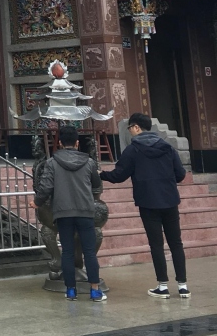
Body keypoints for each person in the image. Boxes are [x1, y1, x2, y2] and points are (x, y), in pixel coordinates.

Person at [101, 112, 190, 300]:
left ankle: (163, 287)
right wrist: (165, 181)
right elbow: (181, 175)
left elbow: (118, 176)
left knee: (156, 244)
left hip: (148, 203)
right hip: (170, 200)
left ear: (136, 127)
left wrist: (100, 174)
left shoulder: (133, 150)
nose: (130, 132)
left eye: (130, 128)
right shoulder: (168, 147)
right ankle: (183, 287)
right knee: (176, 243)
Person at [36, 126, 107, 301]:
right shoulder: (89, 162)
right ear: (77, 143)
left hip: (63, 212)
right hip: (85, 211)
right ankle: (95, 290)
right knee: (89, 252)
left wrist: (37, 202)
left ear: (60, 143)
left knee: (67, 251)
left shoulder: (52, 163)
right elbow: (96, 184)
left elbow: (45, 187)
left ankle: (70, 290)